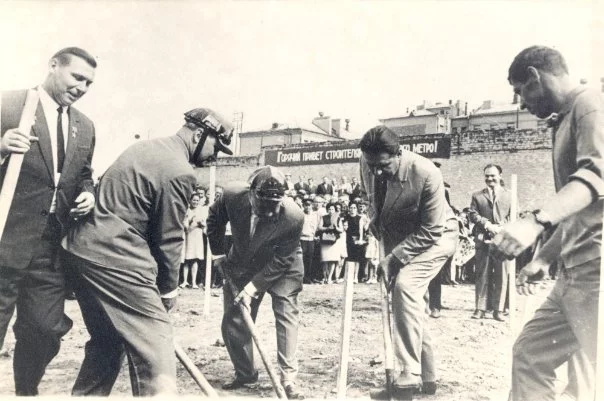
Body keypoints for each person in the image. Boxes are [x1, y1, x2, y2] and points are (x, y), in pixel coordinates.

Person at [61, 107, 233, 395]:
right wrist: (168, 290)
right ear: (198, 135)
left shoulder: (143, 147)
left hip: (81, 250)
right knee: (157, 349)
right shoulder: (180, 171)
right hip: (116, 257)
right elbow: (168, 238)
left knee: (108, 340)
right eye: (216, 147)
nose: (215, 156)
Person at [491, 45, 604, 401]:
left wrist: (535, 222)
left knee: (593, 378)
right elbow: (578, 210)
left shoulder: (591, 105)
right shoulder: (566, 117)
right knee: (530, 355)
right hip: (573, 272)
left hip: (596, 272)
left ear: (534, 77)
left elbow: (596, 177)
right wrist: (543, 258)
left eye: (520, 91)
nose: (521, 104)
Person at [0, 47, 97, 395]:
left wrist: (88, 192)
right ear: (54, 65)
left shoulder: (85, 126)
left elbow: (82, 173)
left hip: (50, 250)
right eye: (77, 77)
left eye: (88, 83)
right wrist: (1, 147)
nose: (82, 87)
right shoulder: (8, 105)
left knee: (45, 331)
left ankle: (26, 392)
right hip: (4, 242)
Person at [359, 125, 458, 394]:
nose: (376, 172)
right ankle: (428, 377)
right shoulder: (367, 161)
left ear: (398, 153)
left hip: (437, 236)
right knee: (408, 304)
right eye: (372, 166)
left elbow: (432, 229)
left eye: (383, 166)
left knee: (405, 287)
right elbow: (368, 195)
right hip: (399, 236)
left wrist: (394, 259)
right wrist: (373, 216)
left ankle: (408, 372)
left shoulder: (426, 173)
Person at [207, 166, 304, 399]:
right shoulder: (231, 196)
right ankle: (246, 373)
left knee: (285, 310)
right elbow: (214, 220)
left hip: (283, 263)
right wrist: (218, 254)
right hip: (243, 259)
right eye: (263, 206)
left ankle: (288, 379)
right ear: (251, 194)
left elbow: (282, 260)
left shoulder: (294, 216)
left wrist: (252, 288)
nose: (269, 213)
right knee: (235, 316)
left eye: (274, 206)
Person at [468, 164, 511, 321]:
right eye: (487, 176)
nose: (490, 179)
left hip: (502, 241)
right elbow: (473, 214)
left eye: (493, 175)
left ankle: (498, 309)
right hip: (483, 239)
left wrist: (501, 227)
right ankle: (480, 308)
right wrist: (487, 225)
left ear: (500, 175)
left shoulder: (510, 195)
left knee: (502, 275)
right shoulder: (477, 196)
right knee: (482, 273)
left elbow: (514, 216)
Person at [180, 192, 208, 289]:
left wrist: (202, 224)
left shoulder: (201, 211)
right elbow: (185, 226)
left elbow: (205, 224)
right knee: (187, 259)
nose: (195, 202)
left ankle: (194, 282)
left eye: (197, 200)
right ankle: (184, 281)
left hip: (197, 236)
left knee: (195, 259)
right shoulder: (187, 211)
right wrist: (190, 221)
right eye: (194, 200)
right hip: (188, 236)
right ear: (190, 201)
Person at [318, 203, 344, 284]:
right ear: (327, 210)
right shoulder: (323, 217)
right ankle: (325, 277)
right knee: (325, 260)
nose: (331, 211)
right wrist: (327, 228)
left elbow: (341, 230)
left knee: (332, 260)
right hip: (325, 240)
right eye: (329, 209)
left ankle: (329, 278)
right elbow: (319, 227)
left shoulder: (338, 218)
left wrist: (336, 228)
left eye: (332, 209)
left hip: (334, 241)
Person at [344, 202, 368, 284]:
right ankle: (348, 276)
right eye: (351, 207)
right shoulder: (346, 217)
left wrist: (360, 239)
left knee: (357, 259)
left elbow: (362, 230)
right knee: (349, 258)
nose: (352, 209)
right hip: (348, 240)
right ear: (349, 208)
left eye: (354, 208)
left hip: (357, 240)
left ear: (356, 209)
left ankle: (355, 277)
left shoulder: (359, 218)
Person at [300, 199, 319, 284]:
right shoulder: (301, 215)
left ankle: (308, 277)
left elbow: (316, 227)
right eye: (306, 205)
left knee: (310, 259)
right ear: (303, 206)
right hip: (302, 239)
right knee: (302, 258)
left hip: (311, 239)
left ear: (312, 206)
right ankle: (301, 277)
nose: (308, 207)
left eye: (309, 205)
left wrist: (314, 235)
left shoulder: (314, 215)